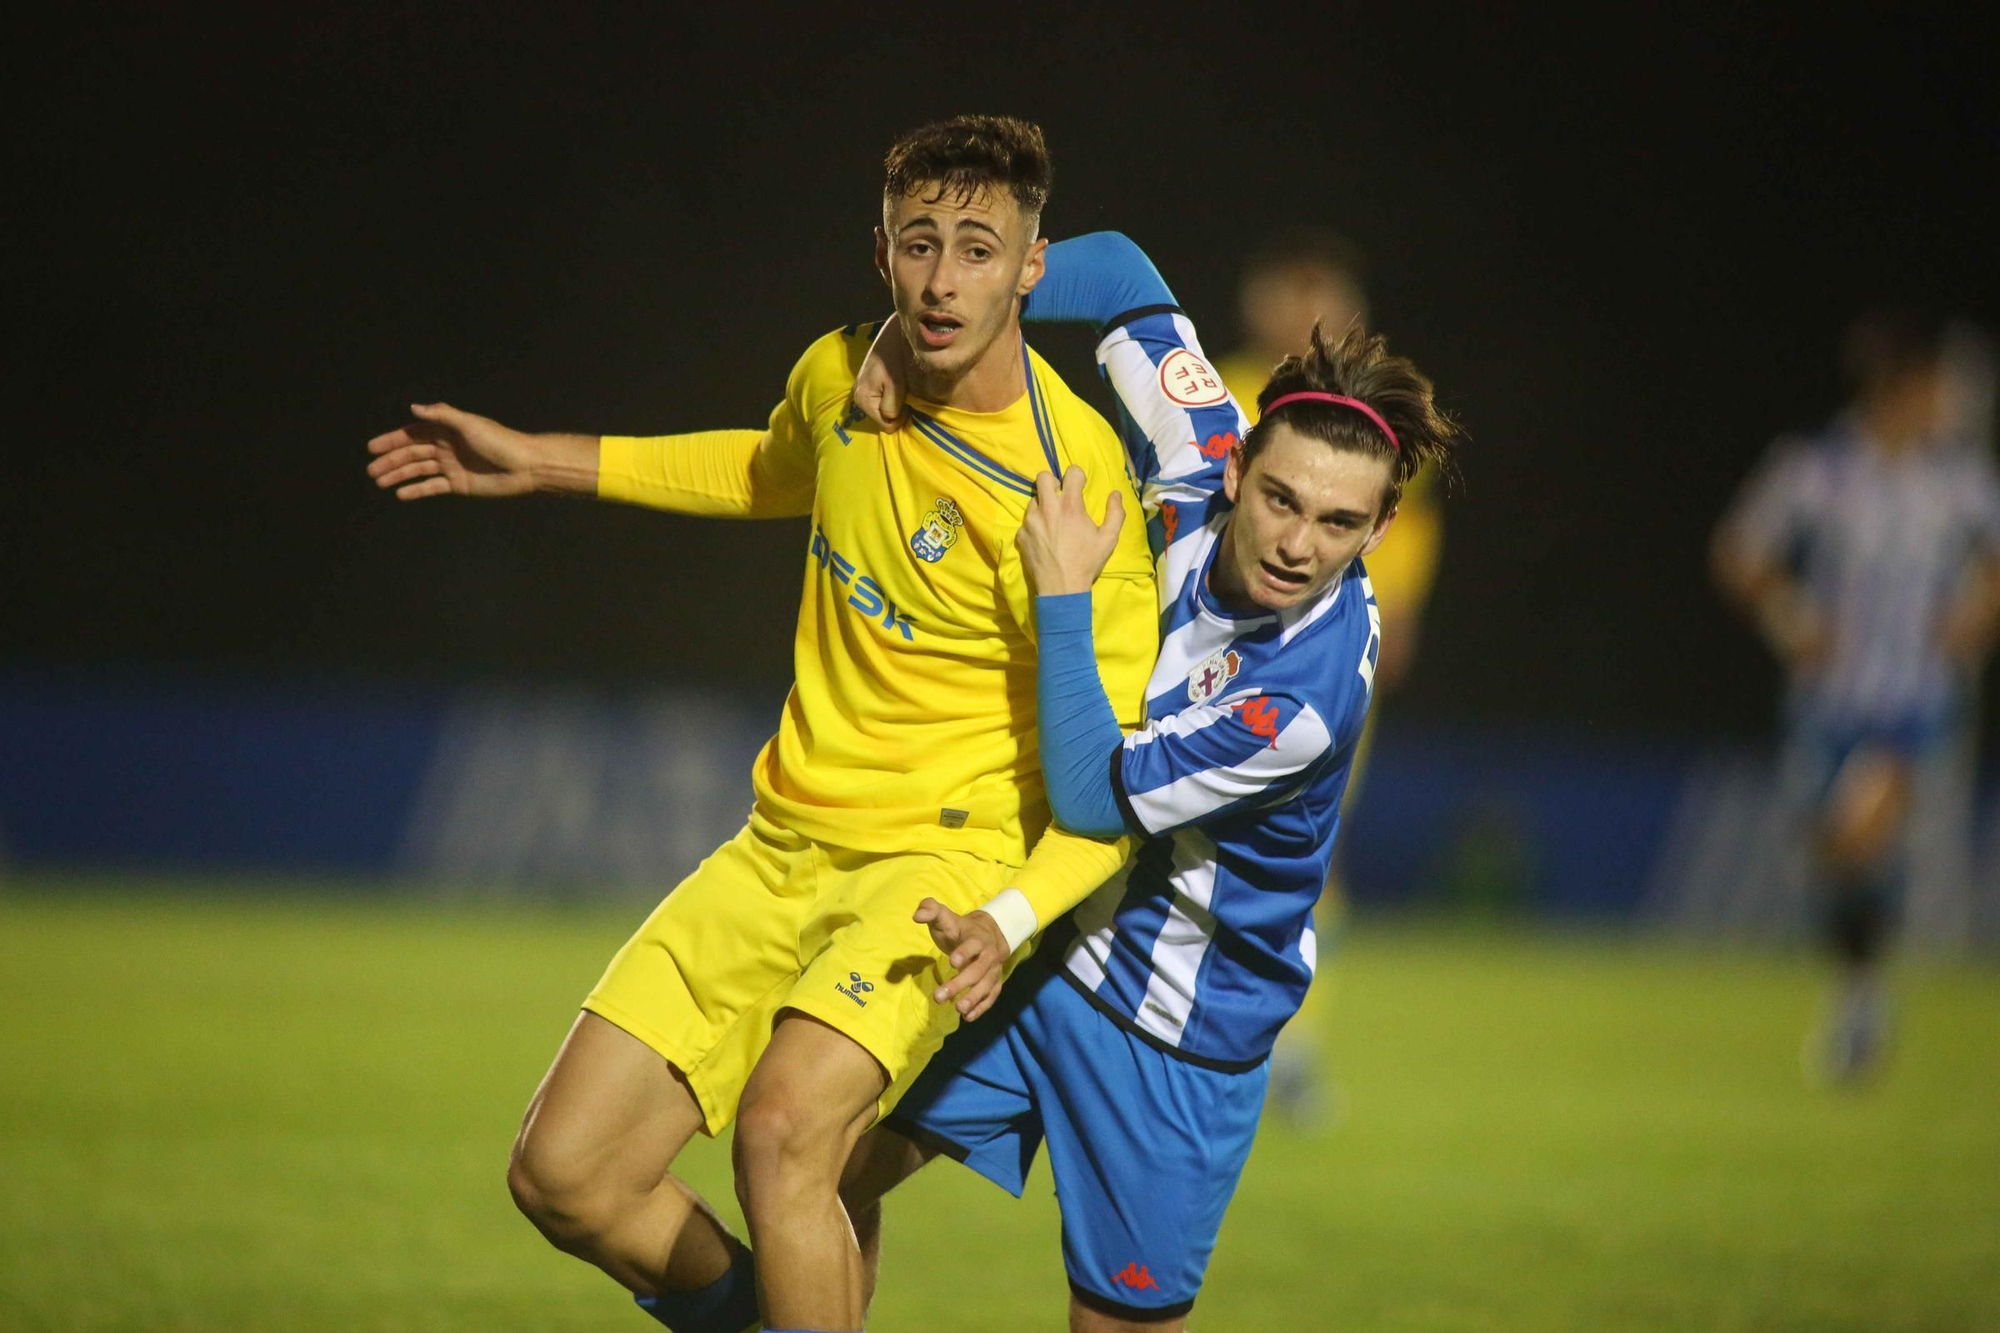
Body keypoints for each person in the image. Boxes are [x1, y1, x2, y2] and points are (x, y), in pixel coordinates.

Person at [366, 117, 1160, 1333]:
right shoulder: (843, 375)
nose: (943, 282)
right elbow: (762, 471)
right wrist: (541, 460)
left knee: (788, 1136)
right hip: (776, 845)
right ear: (881, 250)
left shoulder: (1077, 485)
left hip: (935, 865)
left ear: (1031, 267)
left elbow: (1106, 789)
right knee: (563, 1175)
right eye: (918, 246)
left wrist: (1007, 918)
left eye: (977, 251)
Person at [841, 231, 1463, 1329]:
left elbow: (1090, 795)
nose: (1296, 543)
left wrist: (1063, 598)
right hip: (1042, 964)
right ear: (1234, 465)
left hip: (1176, 1040)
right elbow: (1126, 276)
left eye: (1336, 524)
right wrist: (933, 331)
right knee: (818, 1170)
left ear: (1378, 529)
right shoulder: (1194, 441)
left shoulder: (1299, 703)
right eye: (1278, 500)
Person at [1713, 309, 2000, 1084]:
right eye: (1937, 387)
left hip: (1913, 699)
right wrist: (1792, 617)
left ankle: (1860, 1007)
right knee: (1837, 859)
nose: (1949, 402)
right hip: (1827, 698)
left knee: (1860, 827)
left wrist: (1975, 612)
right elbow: (1741, 551)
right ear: (1904, 389)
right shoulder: (1820, 467)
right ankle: (1862, 995)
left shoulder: (1957, 479)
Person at [1216, 228, 1447, 1124]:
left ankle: (1293, 1050)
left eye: (1331, 306)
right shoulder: (1221, 390)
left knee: (1312, 858)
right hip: (1219, 657)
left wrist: (1399, 612)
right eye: (1296, 302)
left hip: (1328, 662)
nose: (1315, 324)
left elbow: (1408, 525)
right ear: (1261, 305)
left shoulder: (1374, 421)